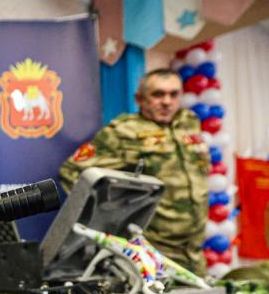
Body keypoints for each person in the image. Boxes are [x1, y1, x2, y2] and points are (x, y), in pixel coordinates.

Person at [59, 68, 209, 275]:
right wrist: (109, 222)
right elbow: (72, 172)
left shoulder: (189, 122)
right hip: (151, 251)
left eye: (174, 94)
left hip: (194, 250)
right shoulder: (123, 131)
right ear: (139, 99)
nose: (167, 101)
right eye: (158, 94)